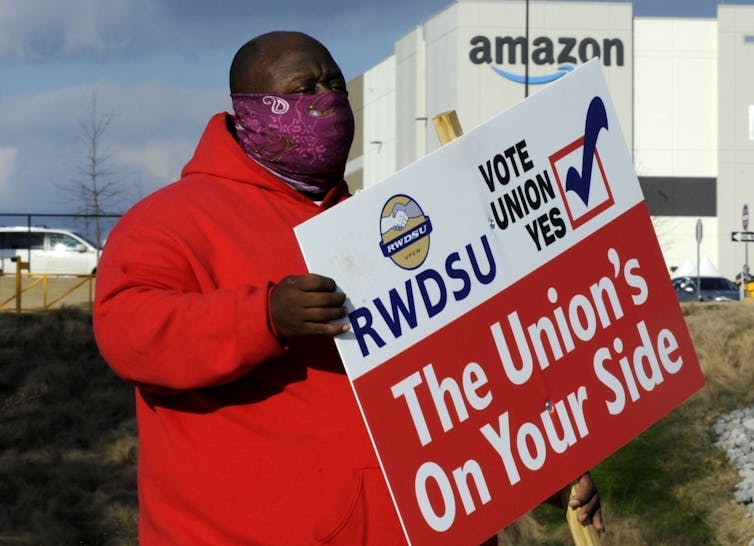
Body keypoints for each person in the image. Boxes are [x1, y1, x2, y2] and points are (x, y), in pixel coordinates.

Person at [93, 31, 602, 545]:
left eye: (334, 84)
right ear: (249, 109)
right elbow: (129, 331)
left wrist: (538, 463)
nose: (327, 99)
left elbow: (456, 382)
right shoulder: (169, 222)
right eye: (305, 87)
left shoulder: (381, 225)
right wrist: (264, 317)